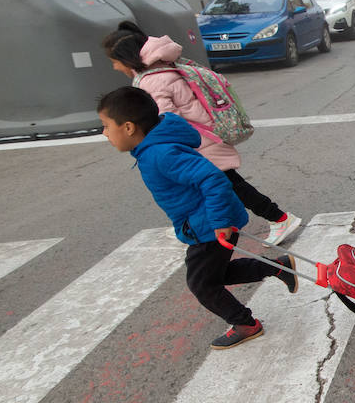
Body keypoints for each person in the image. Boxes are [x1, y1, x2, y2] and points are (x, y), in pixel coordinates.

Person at [97, 87, 299, 349]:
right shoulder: (153, 149)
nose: (104, 133)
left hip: (210, 227)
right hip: (206, 223)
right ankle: (278, 267)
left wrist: (220, 222)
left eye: (105, 126)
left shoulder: (161, 154)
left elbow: (213, 178)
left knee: (202, 284)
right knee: (216, 275)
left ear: (128, 128)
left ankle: (246, 324)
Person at [102, 22, 302, 248]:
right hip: (202, 138)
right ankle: (214, 222)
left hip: (198, 143)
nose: (114, 67)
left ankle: (280, 218)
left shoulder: (151, 81)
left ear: (126, 58)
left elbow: (163, 120)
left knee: (231, 185)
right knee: (225, 184)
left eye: (114, 62)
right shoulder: (161, 68)